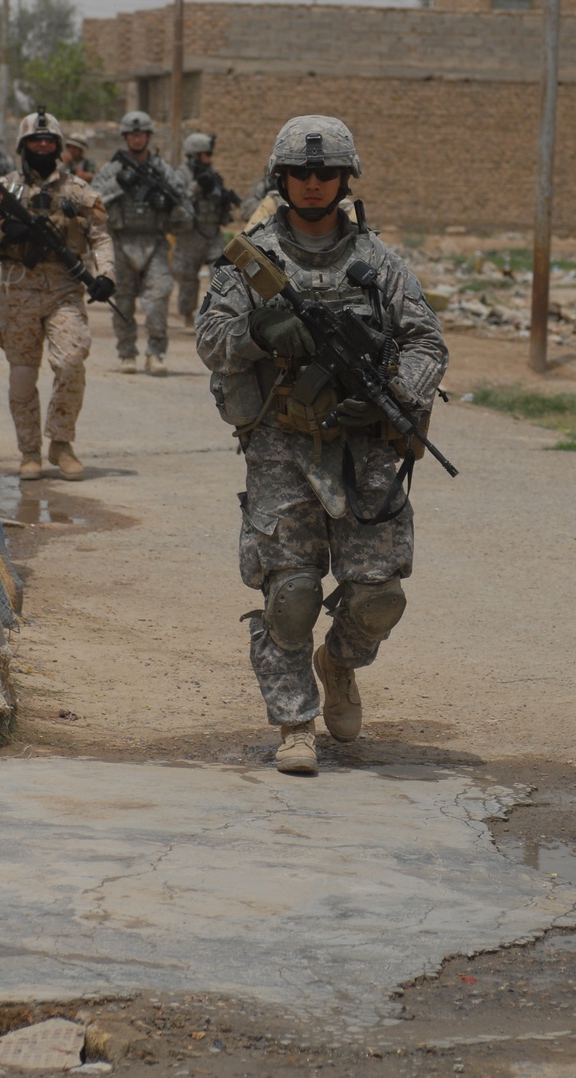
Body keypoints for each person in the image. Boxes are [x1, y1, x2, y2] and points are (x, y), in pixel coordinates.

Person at [196, 115, 448, 776]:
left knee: (378, 596)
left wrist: (393, 391)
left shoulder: (377, 262)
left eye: (326, 173)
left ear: (343, 180)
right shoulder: (252, 260)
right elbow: (211, 343)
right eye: (301, 174)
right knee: (292, 591)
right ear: (282, 178)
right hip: (280, 443)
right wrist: (259, 333)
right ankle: (294, 723)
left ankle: (338, 664)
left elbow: (427, 342)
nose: (313, 184)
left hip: (363, 444)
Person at [0, 109, 115, 481]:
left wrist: (106, 276)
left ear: (59, 147)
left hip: (64, 287)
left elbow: (100, 237)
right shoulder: (6, 189)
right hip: (17, 287)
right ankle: (29, 451)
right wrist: (4, 230)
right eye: (36, 141)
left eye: (49, 141)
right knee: (21, 375)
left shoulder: (78, 191)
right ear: (24, 146)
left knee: (70, 362)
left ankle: (61, 444)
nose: (42, 146)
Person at [91, 110, 192, 375]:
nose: (137, 139)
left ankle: (156, 353)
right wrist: (119, 186)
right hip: (121, 242)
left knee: (158, 298)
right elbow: (92, 202)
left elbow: (186, 214)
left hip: (155, 243)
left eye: (141, 134)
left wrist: (167, 205)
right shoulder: (112, 170)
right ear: (126, 137)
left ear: (148, 136)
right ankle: (127, 353)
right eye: (132, 135)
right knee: (122, 301)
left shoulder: (163, 171)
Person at [173, 131, 240, 326]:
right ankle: (187, 314)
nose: (209, 158)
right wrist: (196, 187)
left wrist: (226, 198)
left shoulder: (212, 173)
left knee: (221, 275)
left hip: (213, 233)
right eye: (206, 154)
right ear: (195, 155)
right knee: (188, 278)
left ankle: (217, 315)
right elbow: (178, 201)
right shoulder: (182, 175)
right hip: (190, 234)